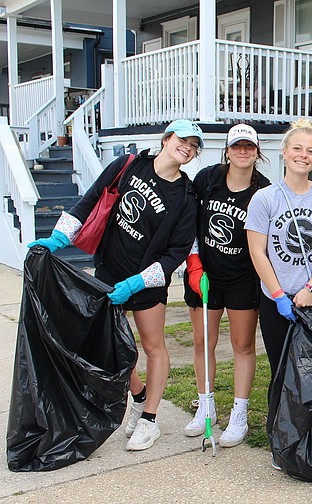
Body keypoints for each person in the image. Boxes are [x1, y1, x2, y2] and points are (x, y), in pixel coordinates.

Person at [30, 119, 202, 451]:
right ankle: (137, 395)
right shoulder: (127, 165)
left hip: (146, 283)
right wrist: (58, 237)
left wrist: (137, 282)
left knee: (153, 348)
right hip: (108, 272)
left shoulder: (185, 196)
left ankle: (150, 419)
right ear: (167, 139)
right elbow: (89, 201)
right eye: (183, 139)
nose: (188, 147)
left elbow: (176, 252)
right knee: (108, 347)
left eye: (194, 145)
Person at [245, 119, 312, 432]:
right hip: (278, 300)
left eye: (311, 151)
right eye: (298, 148)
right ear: (285, 153)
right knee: (280, 367)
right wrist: (278, 295)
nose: (304, 155)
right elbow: (258, 252)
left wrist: (311, 288)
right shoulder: (264, 198)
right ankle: (282, 432)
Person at [182, 123, 270, 448]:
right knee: (203, 341)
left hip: (243, 278)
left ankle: (239, 414)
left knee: (242, 345)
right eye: (237, 147)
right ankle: (206, 407)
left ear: (257, 151)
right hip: (204, 274)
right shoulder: (207, 179)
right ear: (228, 150)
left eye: (249, 147)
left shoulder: (264, 190)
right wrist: (193, 264)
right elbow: (188, 222)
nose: (243, 152)